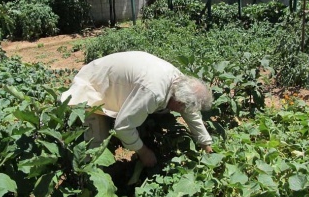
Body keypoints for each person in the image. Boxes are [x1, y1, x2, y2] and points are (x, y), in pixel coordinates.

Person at [61, 51, 213, 167]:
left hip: (120, 81)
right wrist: (143, 152)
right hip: (95, 83)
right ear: (179, 101)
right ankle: (90, 185)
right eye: (182, 108)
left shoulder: (180, 83)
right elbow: (123, 126)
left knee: (140, 114)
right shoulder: (154, 92)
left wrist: (206, 143)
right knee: (96, 142)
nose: (182, 112)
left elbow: (190, 112)